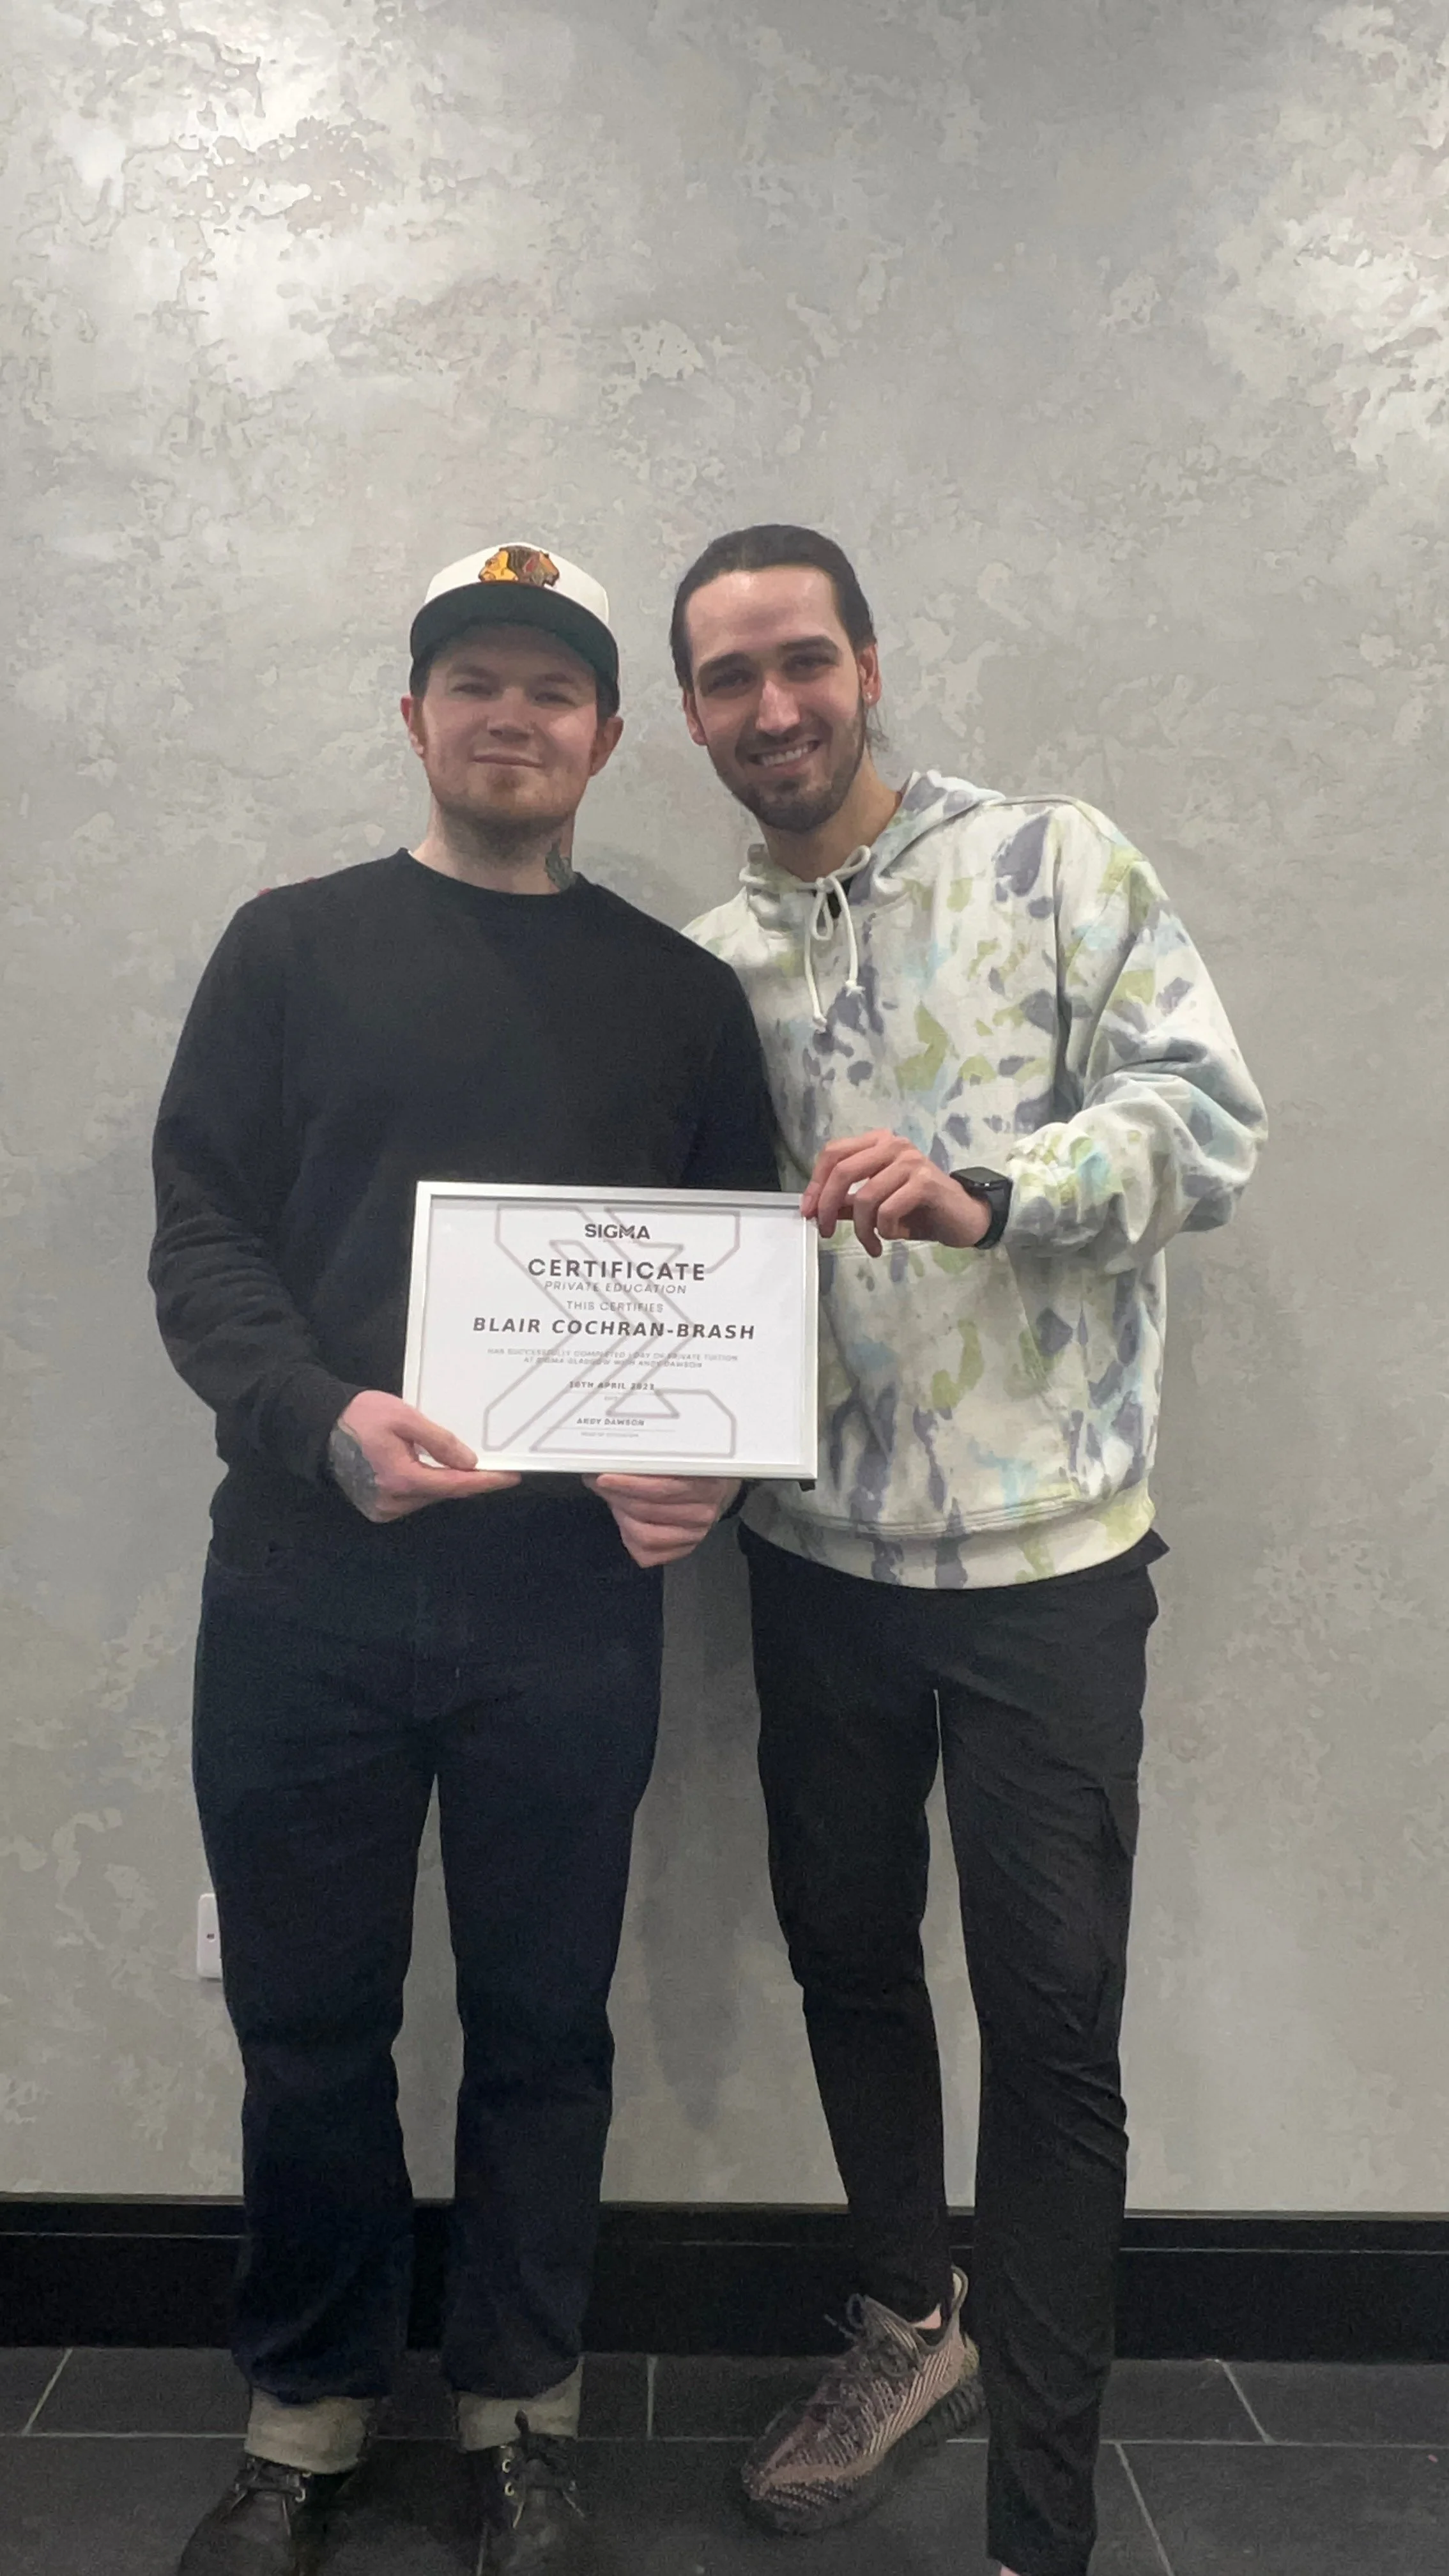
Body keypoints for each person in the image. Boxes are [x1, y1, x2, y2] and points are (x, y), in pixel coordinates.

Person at [151, 541, 776, 2576]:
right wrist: (321, 1418)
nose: (513, 715)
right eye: (473, 681)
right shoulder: (285, 949)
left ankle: (520, 2411)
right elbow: (205, 1246)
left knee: (541, 2024)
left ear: (607, 737)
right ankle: (306, 2410)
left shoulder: (681, 999)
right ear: (414, 716)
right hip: (302, 1592)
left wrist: (707, 1481)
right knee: (309, 2024)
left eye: (554, 689)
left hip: (561, 1615)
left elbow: (730, 1299)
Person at [674, 525, 1266, 2576]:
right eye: (727, 678)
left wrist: (992, 1190)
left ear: (864, 663)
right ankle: (906, 2323)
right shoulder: (703, 963)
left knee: (1050, 2028)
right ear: (688, 715)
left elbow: (1207, 1121)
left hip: (1048, 1574)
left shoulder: (1051, 863)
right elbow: (673, 1272)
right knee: (846, 1962)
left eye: (801, 661)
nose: (772, 707)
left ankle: (1040, 2524)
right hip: (813, 1568)